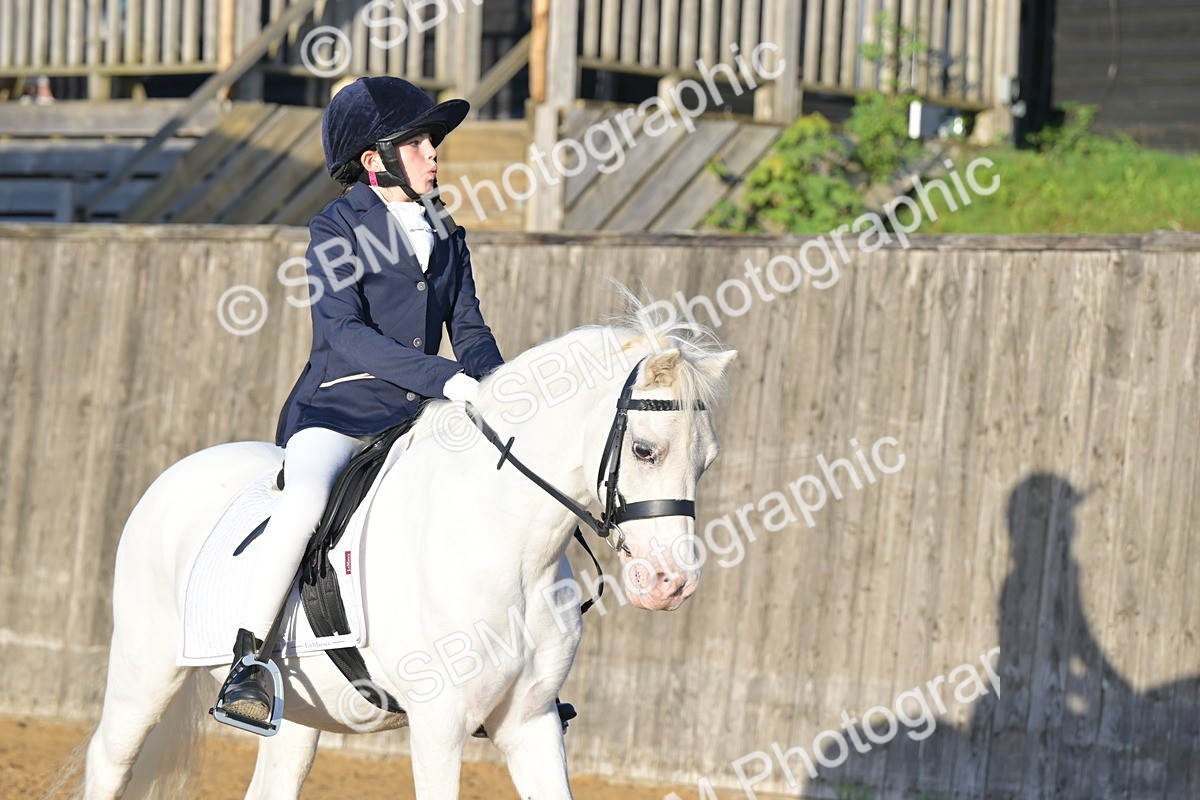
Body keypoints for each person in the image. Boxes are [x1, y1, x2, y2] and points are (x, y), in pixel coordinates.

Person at [219, 76, 505, 724]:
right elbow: (344, 335)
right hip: (340, 407)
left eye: (434, 141)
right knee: (306, 502)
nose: (435, 153)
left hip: (417, 416)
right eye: (420, 142)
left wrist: (501, 390)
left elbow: (471, 332)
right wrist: (444, 378)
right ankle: (247, 663)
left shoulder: (447, 231)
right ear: (375, 160)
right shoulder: (335, 227)